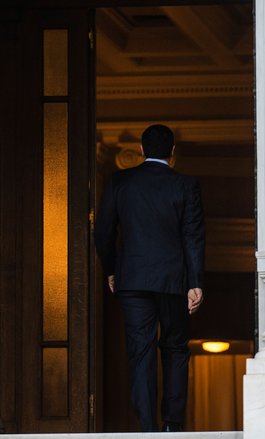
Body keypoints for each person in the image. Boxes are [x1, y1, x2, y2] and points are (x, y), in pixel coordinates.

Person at [94, 124, 205, 431]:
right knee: (175, 348)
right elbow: (193, 235)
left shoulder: (120, 182)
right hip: (174, 281)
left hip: (133, 280)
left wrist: (112, 269)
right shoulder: (186, 184)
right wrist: (195, 282)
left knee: (140, 353)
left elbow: (102, 232)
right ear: (172, 153)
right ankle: (171, 424)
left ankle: (147, 429)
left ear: (141, 150)